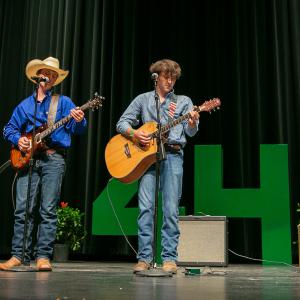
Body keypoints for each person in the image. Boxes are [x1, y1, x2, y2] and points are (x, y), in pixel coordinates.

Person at [0, 57, 86, 271]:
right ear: (38, 75)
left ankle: (43, 257)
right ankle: (19, 255)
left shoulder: (63, 102)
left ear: (55, 80)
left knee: (48, 209)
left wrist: (79, 119)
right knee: (23, 209)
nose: (48, 76)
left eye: (53, 74)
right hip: (28, 160)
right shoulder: (25, 105)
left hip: (53, 159)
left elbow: (79, 129)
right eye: (45, 73)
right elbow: (8, 128)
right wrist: (17, 140)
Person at [116, 59, 199, 274]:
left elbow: (190, 133)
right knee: (146, 209)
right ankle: (144, 258)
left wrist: (192, 122)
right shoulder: (144, 100)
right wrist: (135, 133)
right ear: (157, 77)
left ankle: (169, 258)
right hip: (146, 159)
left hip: (172, 156)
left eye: (173, 78)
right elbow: (122, 123)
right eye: (166, 77)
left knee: (170, 210)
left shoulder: (183, 102)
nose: (170, 81)